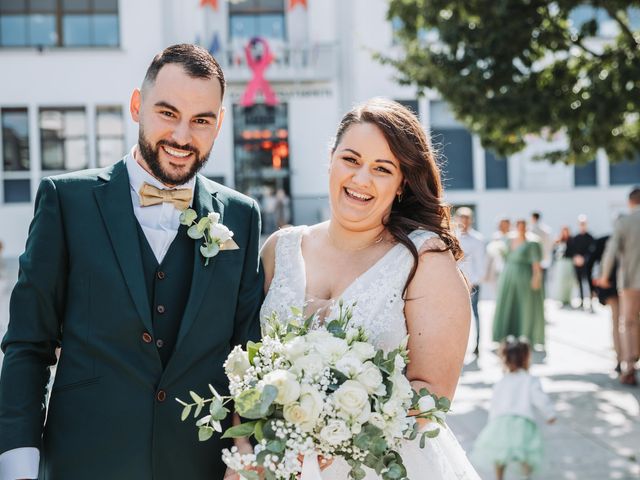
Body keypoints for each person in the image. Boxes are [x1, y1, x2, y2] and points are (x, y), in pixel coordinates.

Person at [0, 44, 264, 479]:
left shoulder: (242, 216)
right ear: (137, 106)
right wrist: (18, 467)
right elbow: (29, 345)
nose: (182, 136)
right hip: (81, 465)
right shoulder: (66, 201)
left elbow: (247, 356)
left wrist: (247, 455)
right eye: (167, 113)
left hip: (199, 468)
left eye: (201, 120)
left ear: (219, 125)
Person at [259, 98, 480, 478]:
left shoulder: (424, 259)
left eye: (382, 168)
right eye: (351, 159)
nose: (361, 179)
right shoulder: (279, 250)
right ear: (330, 159)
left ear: (402, 183)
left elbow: (433, 396)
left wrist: (332, 430)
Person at [471, 337, 555, 480]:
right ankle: (525, 476)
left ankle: (499, 478)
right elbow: (540, 399)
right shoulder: (530, 381)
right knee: (525, 454)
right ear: (526, 358)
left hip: (501, 422)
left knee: (499, 454)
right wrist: (549, 414)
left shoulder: (501, 382)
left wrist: (493, 422)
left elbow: (495, 404)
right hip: (522, 424)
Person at [598, 187, 640, 386]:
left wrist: (604, 276)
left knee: (628, 323)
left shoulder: (624, 222)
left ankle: (629, 366)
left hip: (631, 282)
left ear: (630, 202)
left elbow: (611, 252)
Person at [492, 219, 545, 348]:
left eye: (523, 226)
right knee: (508, 303)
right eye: (519, 226)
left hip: (524, 276)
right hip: (508, 276)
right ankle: (505, 335)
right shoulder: (508, 239)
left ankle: (526, 335)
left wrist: (536, 278)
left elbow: (536, 264)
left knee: (525, 305)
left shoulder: (533, 242)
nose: (521, 228)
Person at [455, 207, 485, 356]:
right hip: (455, 284)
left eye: (467, 218)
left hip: (472, 284)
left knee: (475, 314)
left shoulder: (478, 240)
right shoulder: (453, 237)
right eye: (462, 218)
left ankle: (477, 345)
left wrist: (472, 282)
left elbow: (481, 265)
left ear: (471, 220)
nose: (464, 221)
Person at [589, 236, 621, 373]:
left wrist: (604, 278)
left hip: (619, 286)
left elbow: (606, 260)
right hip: (624, 286)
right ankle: (627, 357)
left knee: (618, 323)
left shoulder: (613, 239)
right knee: (627, 323)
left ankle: (622, 358)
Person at [572, 214, 596, 312]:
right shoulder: (576, 237)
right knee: (580, 283)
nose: (582, 225)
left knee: (589, 283)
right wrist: (576, 258)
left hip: (588, 265)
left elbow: (592, 251)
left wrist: (585, 259)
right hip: (578, 264)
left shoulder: (590, 237)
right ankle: (581, 301)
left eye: (584, 223)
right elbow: (572, 250)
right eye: (581, 224)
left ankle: (590, 302)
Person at [551, 226, 576, 307]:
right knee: (561, 281)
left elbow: (572, 251)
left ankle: (568, 299)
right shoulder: (559, 240)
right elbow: (555, 251)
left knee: (568, 281)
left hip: (568, 262)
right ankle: (562, 299)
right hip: (561, 263)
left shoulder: (571, 240)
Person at [529, 211, 553, 291]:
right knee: (543, 280)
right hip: (543, 259)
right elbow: (549, 246)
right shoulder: (546, 230)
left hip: (534, 259)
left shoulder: (531, 230)